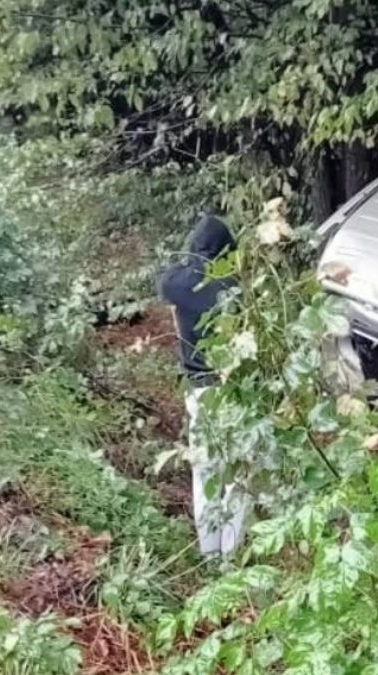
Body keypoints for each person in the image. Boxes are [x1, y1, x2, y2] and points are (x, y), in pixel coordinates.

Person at [157, 214, 247, 559]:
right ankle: (232, 556)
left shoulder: (175, 284)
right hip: (234, 392)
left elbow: (171, 276)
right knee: (238, 478)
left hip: (199, 393)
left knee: (206, 474)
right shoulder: (234, 288)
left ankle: (210, 555)